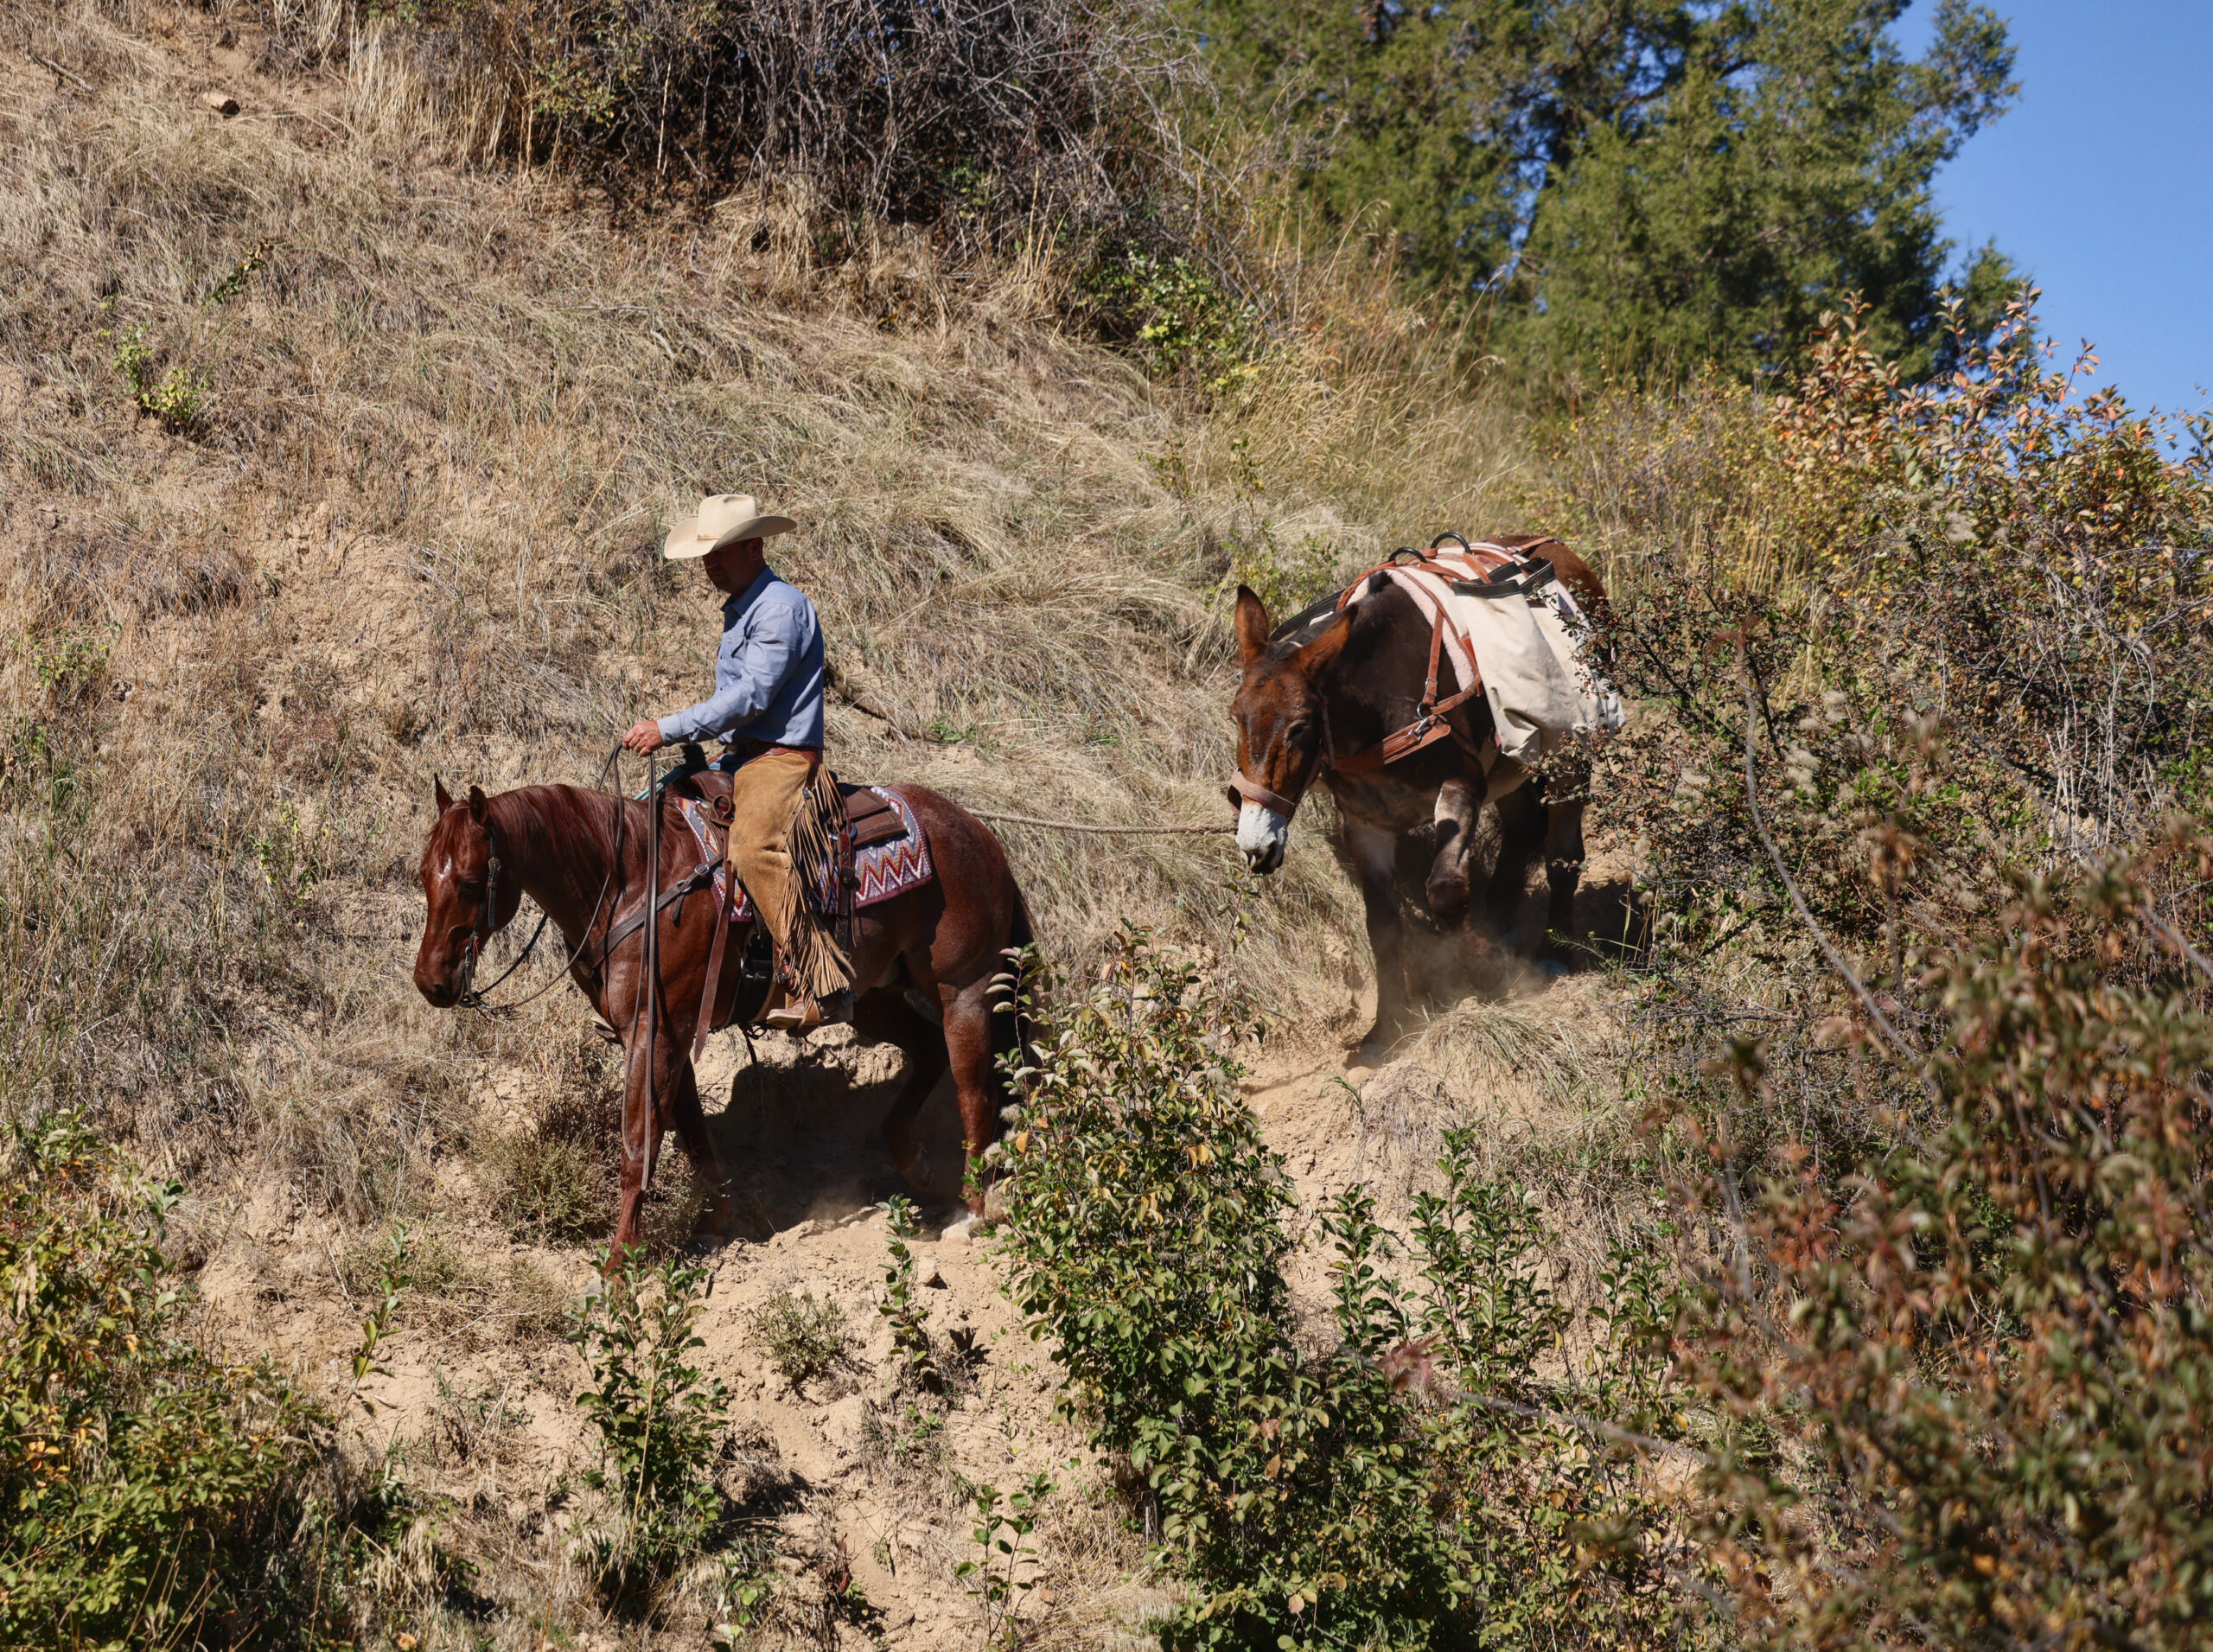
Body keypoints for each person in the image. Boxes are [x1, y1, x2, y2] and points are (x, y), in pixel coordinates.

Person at [622, 494, 850, 1031]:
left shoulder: (781, 608)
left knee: (751, 850)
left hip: (781, 761)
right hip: (741, 756)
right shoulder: (745, 607)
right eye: (706, 553)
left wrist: (668, 727)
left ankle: (823, 981)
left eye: (721, 551)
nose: (710, 563)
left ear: (756, 547)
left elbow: (751, 697)